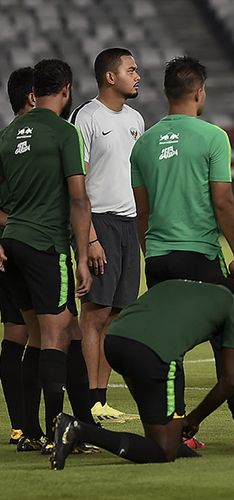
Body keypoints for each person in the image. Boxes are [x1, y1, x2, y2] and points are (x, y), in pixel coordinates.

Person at [129, 56, 234, 450]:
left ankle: (178, 434)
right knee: (226, 343)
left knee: (170, 347)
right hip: (199, 254)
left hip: (158, 257)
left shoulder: (144, 143)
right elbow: (223, 202)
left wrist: (150, 251)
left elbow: (142, 211)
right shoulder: (212, 136)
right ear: (199, 93)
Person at [50, 279, 234, 470]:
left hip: (115, 342)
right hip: (153, 353)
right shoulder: (231, 305)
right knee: (164, 452)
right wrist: (194, 418)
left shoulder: (173, 284)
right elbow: (230, 379)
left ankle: (168, 439)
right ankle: (79, 430)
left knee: (159, 428)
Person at [0, 59, 94, 452]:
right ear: (67, 90)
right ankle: (60, 432)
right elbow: (77, 196)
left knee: (43, 336)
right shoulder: (64, 132)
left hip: (13, 243)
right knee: (57, 334)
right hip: (44, 244)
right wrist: (83, 256)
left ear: (34, 92)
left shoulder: (8, 135)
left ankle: (30, 429)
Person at [69, 48, 144, 421]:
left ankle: (101, 398)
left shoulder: (136, 120)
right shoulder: (86, 117)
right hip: (99, 222)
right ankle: (90, 400)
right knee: (95, 315)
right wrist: (91, 238)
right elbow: (77, 184)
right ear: (110, 77)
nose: (138, 76)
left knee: (116, 315)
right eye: (131, 70)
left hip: (129, 225)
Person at [0, 67, 33, 445]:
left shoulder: (7, 139)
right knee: (35, 332)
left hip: (14, 241)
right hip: (19, 244)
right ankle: (25, 424)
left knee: (22, 332)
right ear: (32, 98)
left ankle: (23, 424)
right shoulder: (17, 142)